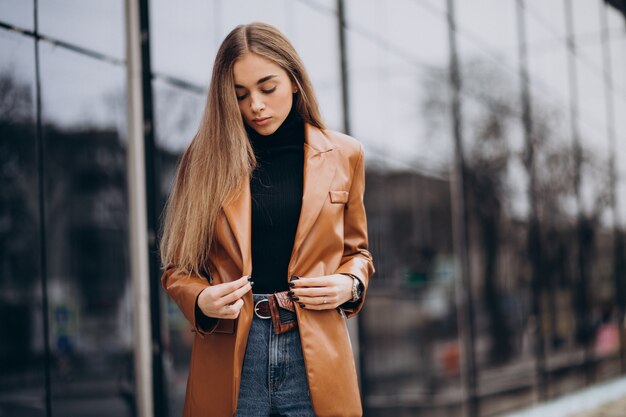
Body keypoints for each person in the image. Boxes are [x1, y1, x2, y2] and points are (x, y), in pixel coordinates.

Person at [160, 22, 374, 417]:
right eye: (239, 95)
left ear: (294, 80)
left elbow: (358, 252)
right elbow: (177, 268)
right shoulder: (204, 161)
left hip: (317, 353)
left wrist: (350, 284)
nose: (255, 105)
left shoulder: (346, 155)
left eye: (266, 88)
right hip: (233, 353)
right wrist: (201, 299)